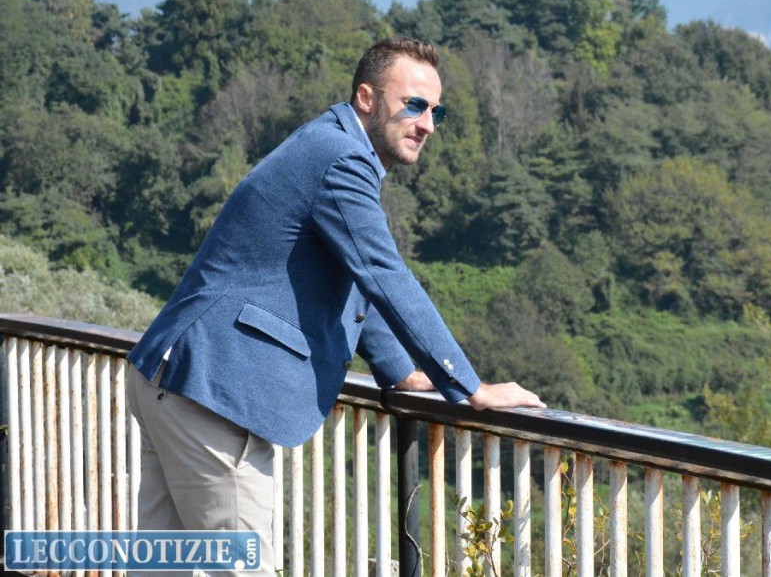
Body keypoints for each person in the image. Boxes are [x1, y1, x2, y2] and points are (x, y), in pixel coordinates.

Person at [126, 35, 545, 575]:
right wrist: (468, 386)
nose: (427, 124)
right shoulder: (341, 157)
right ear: (366, 98)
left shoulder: (326, 143)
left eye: (436, 111)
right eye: (414, 105)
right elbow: (384, 275)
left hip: (175, 377)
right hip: (213, 392)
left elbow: (353, 275)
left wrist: (398, 371)